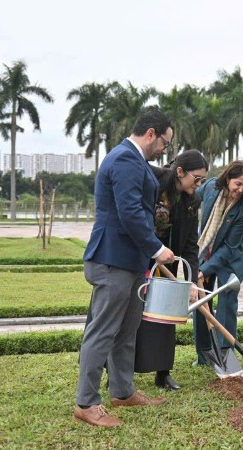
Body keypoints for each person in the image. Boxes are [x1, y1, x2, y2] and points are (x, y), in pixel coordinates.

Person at [74, 108, 176, 428]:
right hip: (112, 259)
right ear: (150, 134)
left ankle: (122, 391)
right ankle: (86, 403)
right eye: (164, 143)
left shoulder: (137, 162)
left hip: (130, 261)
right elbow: (130, 212)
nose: (165, 150)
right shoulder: (124, 160)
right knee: (103, 332)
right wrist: (157, 248)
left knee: (127, 330)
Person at [134, 150, 209, 390]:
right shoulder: (152, 182)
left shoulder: (192, 200)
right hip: (139, 261)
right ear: (180, 172)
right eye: (196, 179)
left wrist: (191, 282)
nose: (198, 185)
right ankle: (118, 371)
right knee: (130, 317)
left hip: (168, 265)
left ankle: (163, 373)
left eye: (202, 181)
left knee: (164, 319)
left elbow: (189, 245)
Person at [192, 160, 243, 365]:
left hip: (229, 261)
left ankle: (224, 353)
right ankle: (204, 355)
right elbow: (191, 199)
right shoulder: (211, 187)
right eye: (238, 183)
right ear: (228, 178)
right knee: (201, 305)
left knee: (227, 304)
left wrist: (204, 270)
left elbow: (229, 248)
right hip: (204, 251)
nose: (241, 190)